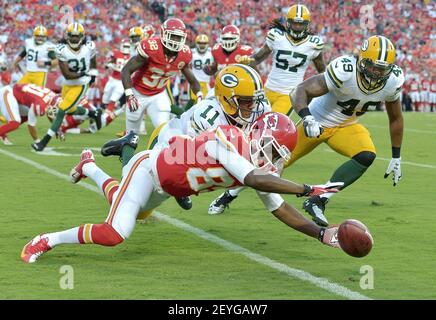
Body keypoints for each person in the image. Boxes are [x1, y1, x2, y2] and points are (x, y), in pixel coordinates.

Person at [21, 112, 341, 264]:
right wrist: (307, 188)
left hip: (169, 187)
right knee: (116, 232)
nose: (272, 161)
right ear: (258, 135)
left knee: (128, 204)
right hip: (148, 169)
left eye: (278, 157)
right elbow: (254, 180)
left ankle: (88, 166)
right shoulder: (230, 140)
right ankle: (46, 239)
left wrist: (321, 234)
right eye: (271, 151)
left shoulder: (256, 168)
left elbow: (279, 208)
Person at [211, 35, 405, 227]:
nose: (376, 73)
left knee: (366, 155)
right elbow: (300, 91)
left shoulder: (393, 81)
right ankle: (229, 194)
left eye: (382, 69)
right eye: (372, 66)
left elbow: (396, 118)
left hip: (346, 125)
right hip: (316, 123)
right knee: (269, 164)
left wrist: (396, 156)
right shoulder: (345, 70)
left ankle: (318, 200)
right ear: (361, 60)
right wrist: (308, 117)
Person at [102, 64, 270, 212]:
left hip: (187, 153)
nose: (253, 106)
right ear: (226, 100)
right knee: (132, 202)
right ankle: (126, 147)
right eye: (245, 101)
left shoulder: (258, 108)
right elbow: (190, 157)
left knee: (141, 207)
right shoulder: (207, 116)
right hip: (169, 143)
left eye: (255, 100)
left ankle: (177, 189)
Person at [120, 17, 202, 164]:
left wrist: (200, 96)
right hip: (138, 93)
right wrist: (129, 94)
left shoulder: (184, 54)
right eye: (173, 36)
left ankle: (153, 166)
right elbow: (126, 70)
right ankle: (127, 170)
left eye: (179, 37)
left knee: (163, 131)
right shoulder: (151, 48)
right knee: (131, 136)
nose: (176, 41)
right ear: (164, 34)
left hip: (158, 94)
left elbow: (193, 81)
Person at [237, 4, 325, 116]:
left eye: (301, 24)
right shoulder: (277, 37)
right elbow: (258, 58)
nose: (297, 27)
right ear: (288, 22)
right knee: (253, 119)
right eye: (294, 23)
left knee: (271, 123)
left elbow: (322, 72)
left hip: (289, 95)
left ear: (307, 25)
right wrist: (248, 61)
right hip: (268, 89)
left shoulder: (313, 44)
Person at [31, 23, 101, 152]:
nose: (74, 39)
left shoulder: (89, 46)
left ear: (82, 36)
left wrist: (94, 74)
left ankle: (43, 142)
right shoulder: (61, 49)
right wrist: (84, 73)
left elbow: (93, 61)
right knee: (70, 109)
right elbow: (68, 75)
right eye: (72, 36)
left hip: (81, 84)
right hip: (68, 83)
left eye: (77, 36)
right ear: (67, 36)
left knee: (61, 110)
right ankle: (93, 113)